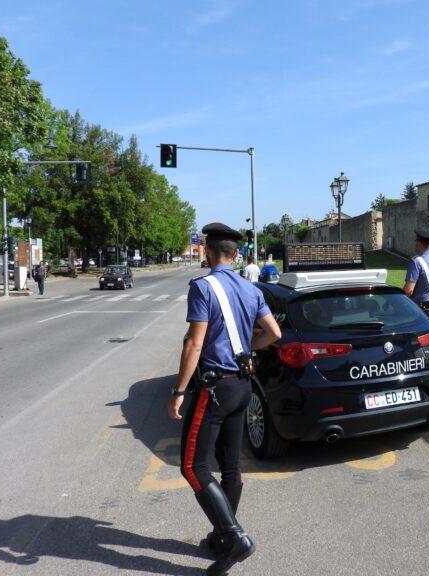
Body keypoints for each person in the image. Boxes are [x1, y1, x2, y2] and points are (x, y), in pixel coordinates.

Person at [168, 222, 281, 576]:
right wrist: (247, 349)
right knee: (231, 465)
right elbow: (274, 333)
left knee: (192, 466)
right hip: (243, 386)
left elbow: (194, 343)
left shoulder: (202, 287)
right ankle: (222, 536)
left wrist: (179, 391)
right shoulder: (250, 288)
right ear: (235, 255)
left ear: (209, 251)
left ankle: (234, 536)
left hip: (214, 389)